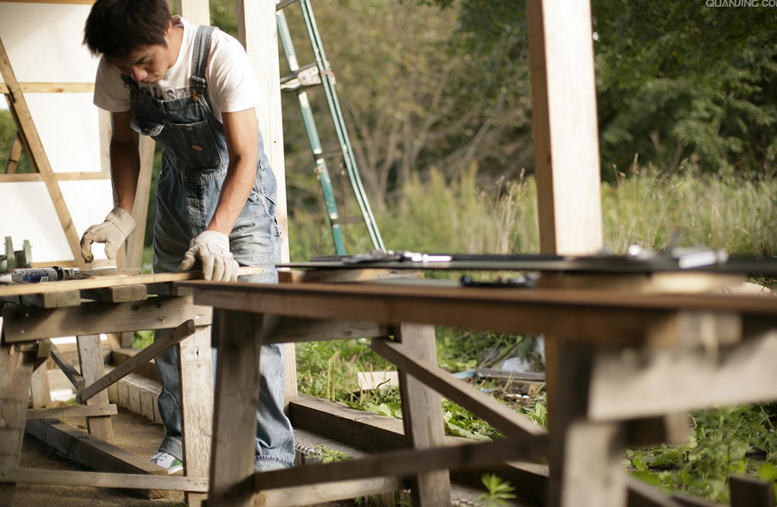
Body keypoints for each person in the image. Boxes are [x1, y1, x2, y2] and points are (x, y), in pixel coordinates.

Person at [81, 0, 295, 473]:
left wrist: (218, 234)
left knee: (252, 327)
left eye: (144, 62)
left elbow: (244, 155)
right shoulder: (116, 67)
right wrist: (121, 213)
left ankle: (271, 453)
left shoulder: (219, 54)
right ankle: (182, 438)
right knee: (173, 322)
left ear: (170, 29)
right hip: (177, 195)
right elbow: (123, 142)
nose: (135, 76)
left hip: (242, 199)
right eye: (125, 67)